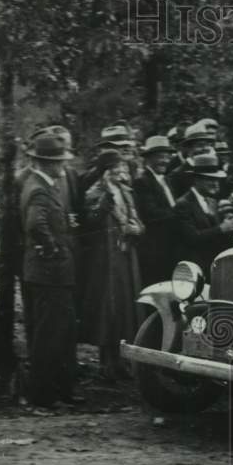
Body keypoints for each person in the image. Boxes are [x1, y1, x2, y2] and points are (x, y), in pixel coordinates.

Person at [19, 132, 79, 407]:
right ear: (46, 163)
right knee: (48, 335)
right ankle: (42, 395)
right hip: (48, 273)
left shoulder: (45, 185)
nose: (63, 165)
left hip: (53, 273)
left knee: (59, 332)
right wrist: (53, 249)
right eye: (59, 161)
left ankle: (58, 389)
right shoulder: (39, 189)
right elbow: (35, 225)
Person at [80, 149, 145, 379]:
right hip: (105, 260)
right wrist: (106, 196)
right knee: (108, 309)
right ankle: (107, 362)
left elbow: (137, 221)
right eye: (115, 167)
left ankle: (122, 361)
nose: (121, 172)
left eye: (122, 167)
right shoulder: (95, 192)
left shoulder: (126, 192)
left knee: (126, 307)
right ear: (105, 170)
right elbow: (91, 220)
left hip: (126, 256)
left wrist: (137, 229)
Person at [173, 153, 233, 280]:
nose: (216, 184)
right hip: (195, 270)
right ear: (197, 180)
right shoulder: (183, 204)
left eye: (217, 180)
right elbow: (191, 238)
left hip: (215, 266)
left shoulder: (213, 201)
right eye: (210, 179)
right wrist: (222, 228)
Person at [132, 135, 180, 284]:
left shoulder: (167, 179)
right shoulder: (142, 182)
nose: (165, 161)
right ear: (148, 158)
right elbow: (151, 213)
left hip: (171, 244)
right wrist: (181, 214)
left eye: (167, 157)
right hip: (155, 247)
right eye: (160, 157)